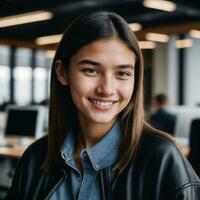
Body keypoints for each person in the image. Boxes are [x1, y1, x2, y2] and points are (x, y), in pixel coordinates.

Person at [6, 11, 200, 200]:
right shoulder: (35, 157)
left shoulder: (161, 158)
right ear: (62, 72)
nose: (107, 89)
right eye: (91, 70)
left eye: (122, 74)